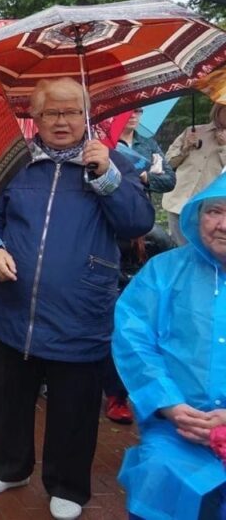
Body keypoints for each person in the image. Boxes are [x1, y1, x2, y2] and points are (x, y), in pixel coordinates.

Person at [0, 77, 154, 520]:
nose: (61, 121)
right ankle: (8, 467)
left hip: (81, 310)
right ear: (34, 119)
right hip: (15, 308)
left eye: (72, 111)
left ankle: (68, 484)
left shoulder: (113, 164)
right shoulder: (15, 164)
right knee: (10, 395)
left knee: (73, 406)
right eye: (51, 112)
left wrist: (107, 176)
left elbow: (136, 223)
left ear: (87, 116)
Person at [114, 173, 226, 520]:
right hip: (176, 428)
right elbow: (134, 340)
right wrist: (169, 404)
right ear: (197, 214)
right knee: (159, 480)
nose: (222, 225)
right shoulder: (164, 271)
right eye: (214, 211)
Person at [104, 107, 177, 425]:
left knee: (139, 307)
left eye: (139, 109)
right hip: (114, 227)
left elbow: (169, 179)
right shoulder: (104, 144)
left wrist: (145, 175)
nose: (134, 115)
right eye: (128, 110)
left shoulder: (148, 143)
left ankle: (126, 388)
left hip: (143, 226)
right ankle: (113, 391)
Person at [163, 102, 226, 245]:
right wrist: (185, 148)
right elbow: (168, 164)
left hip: (207, 206)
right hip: (177, 201)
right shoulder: (194, 131)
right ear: (218, 110)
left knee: (202, 249)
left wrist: (224, 147)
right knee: (178, 248)